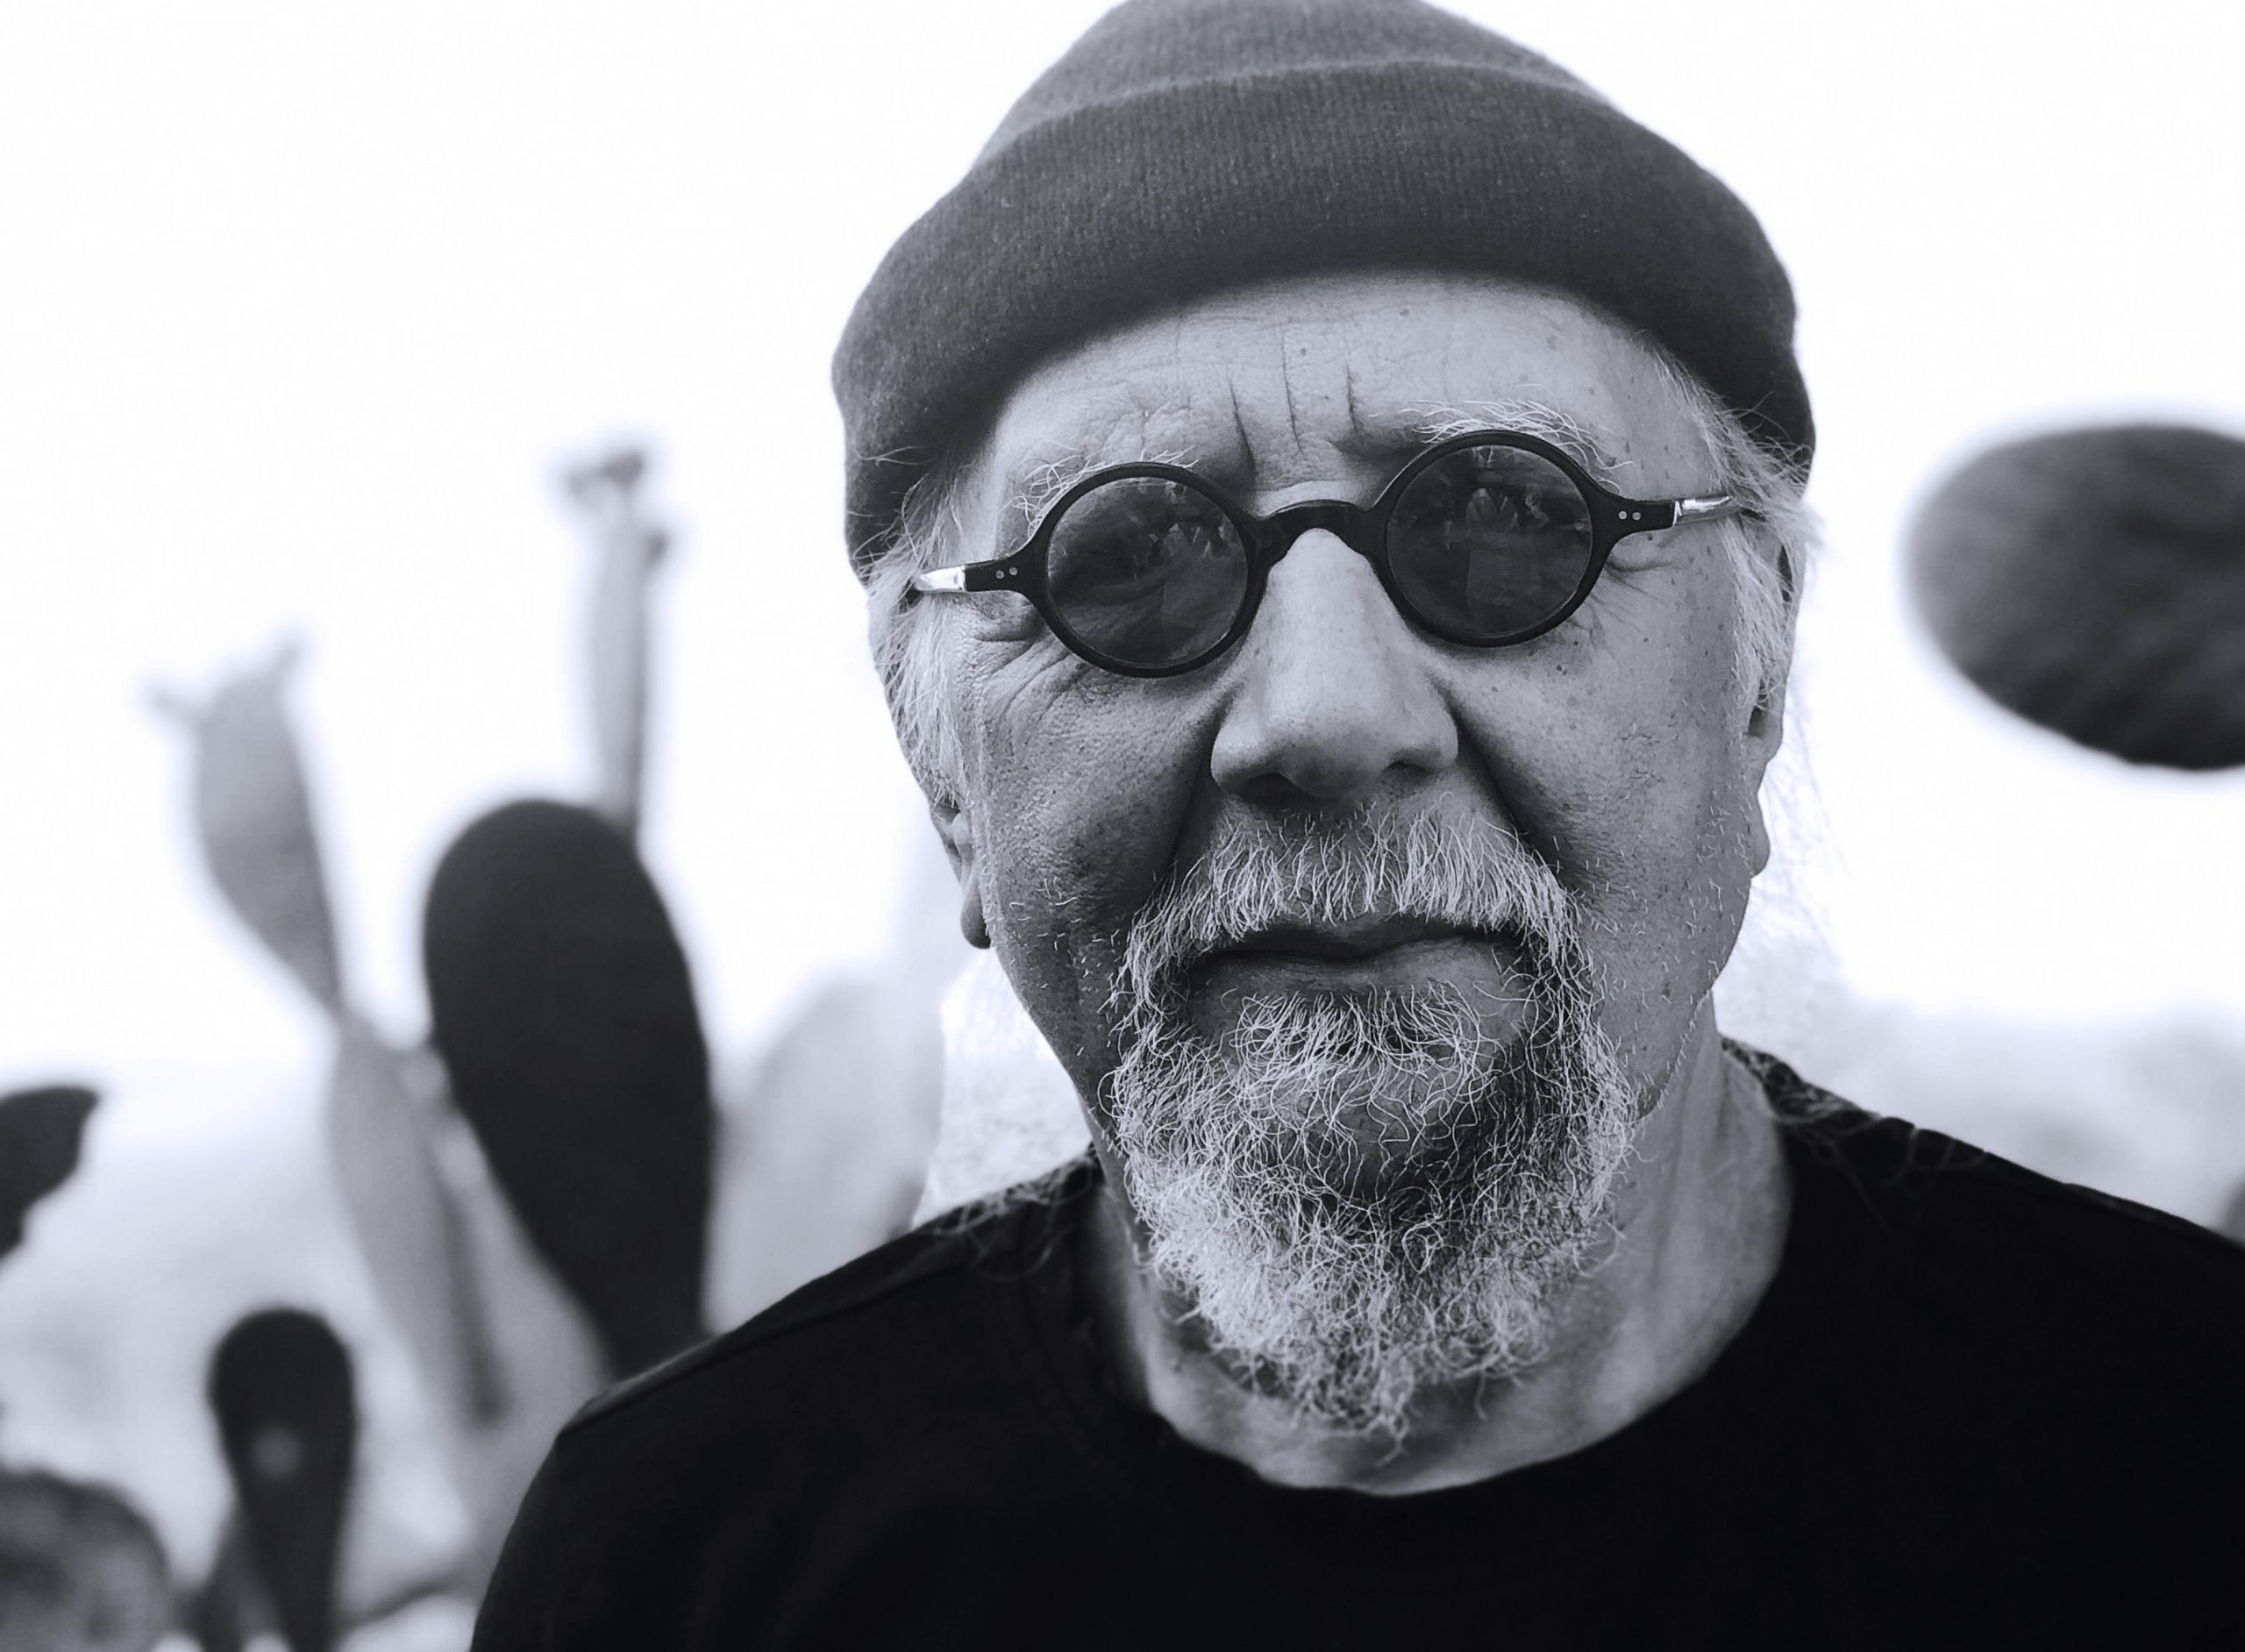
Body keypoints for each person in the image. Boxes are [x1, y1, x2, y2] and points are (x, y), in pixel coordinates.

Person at [473, 2, 2245, 1643]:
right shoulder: (681, 1568)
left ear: (1755, 682)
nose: (1326, 717)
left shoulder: (2182, 1456)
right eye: (1125, 561)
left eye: (1505, 522)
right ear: (947, 789)